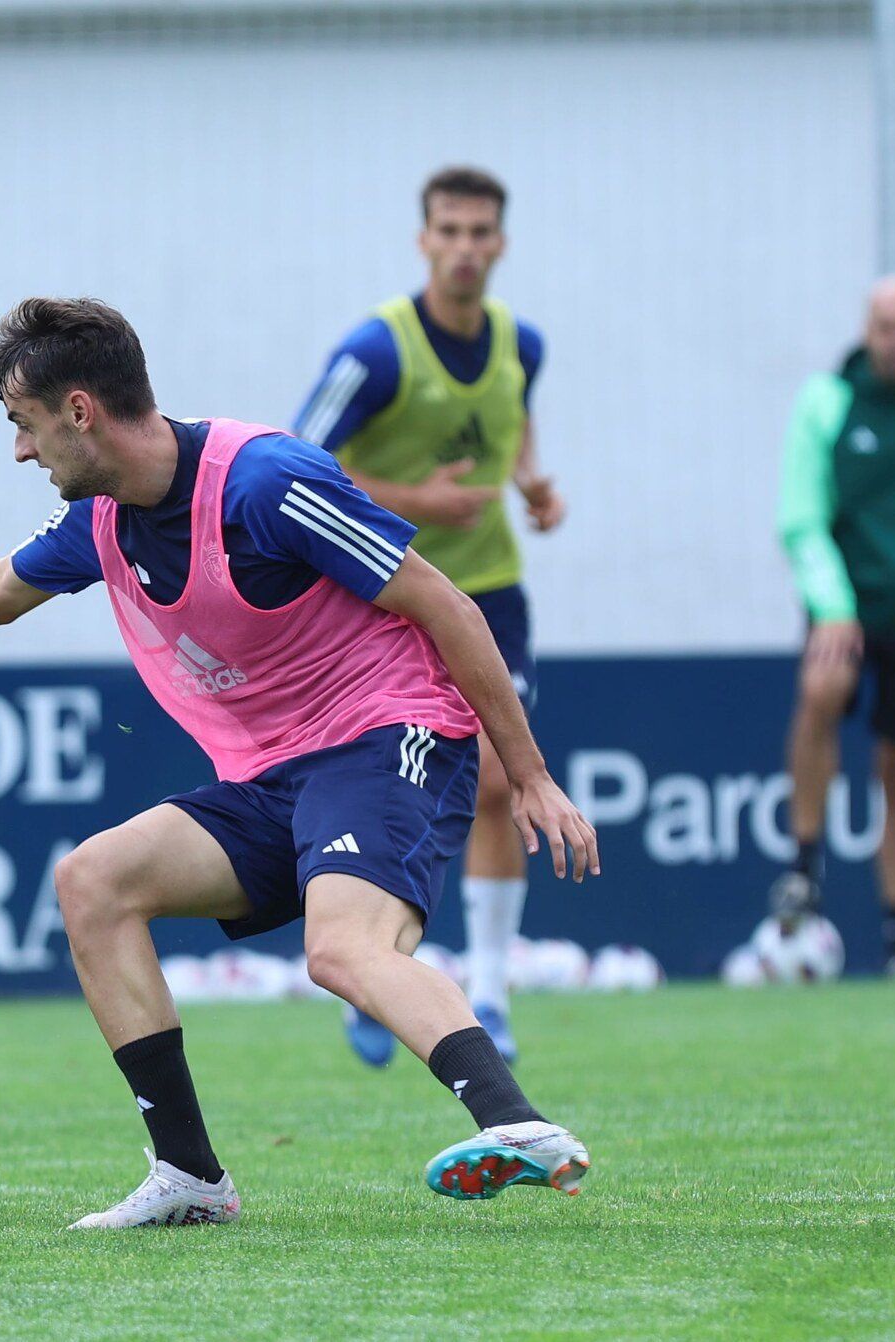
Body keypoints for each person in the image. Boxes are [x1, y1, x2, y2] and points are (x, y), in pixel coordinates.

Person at [0, 297, 598, 1227]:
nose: (20, 452)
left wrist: (528, 773)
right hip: (271, 776)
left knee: (342, 949)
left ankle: (518, 1125)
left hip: (386, 735)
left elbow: (446, 603)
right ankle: (190, 1180)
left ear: (81, 411)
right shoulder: (103, 518)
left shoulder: (265, 482)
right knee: (93, 883)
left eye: (25, 425)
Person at [294, 165, 558, 1066]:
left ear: (501, 244)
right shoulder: (375, 352)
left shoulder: (522, 343)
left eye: (481, 233)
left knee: (493, 782)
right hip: (383, 600)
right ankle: (376, 968)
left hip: (490, 594)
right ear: (423, 241)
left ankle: (489, 986)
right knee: (394, 795)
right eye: (449, 231)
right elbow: (295, 465)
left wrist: (529, 481)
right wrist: (416, 499)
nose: (465, 249)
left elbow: (514, 419)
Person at [774, 275, 895, 978]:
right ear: (868, 330)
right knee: (823, 687)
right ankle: (805, 863)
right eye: (886, 327)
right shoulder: (829, 401)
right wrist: (833, 604)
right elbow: (802, 514)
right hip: (849, 604)